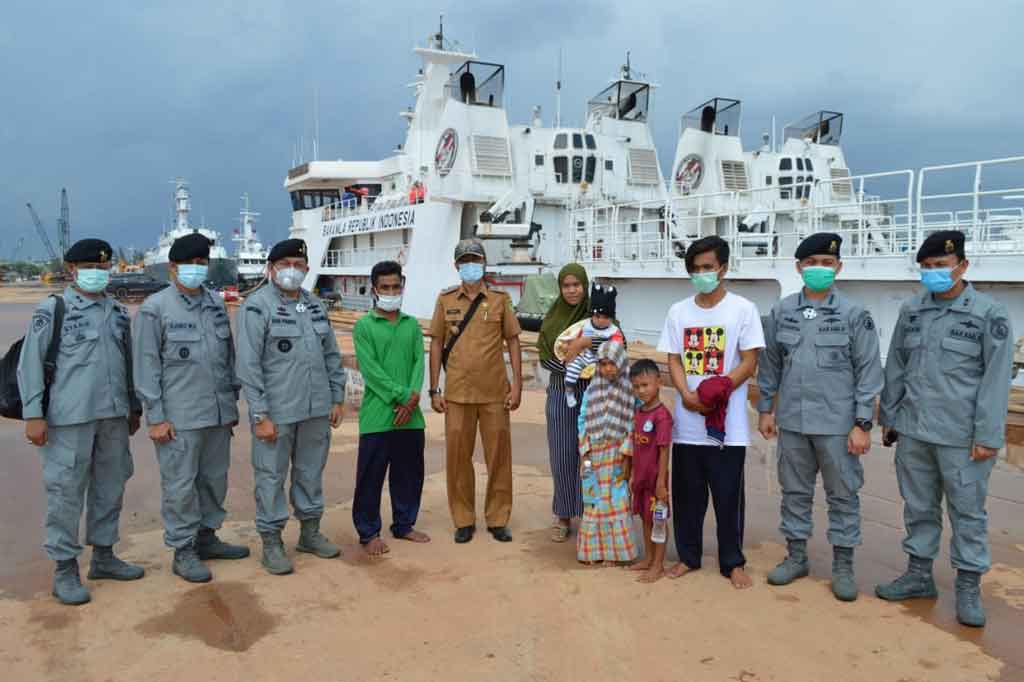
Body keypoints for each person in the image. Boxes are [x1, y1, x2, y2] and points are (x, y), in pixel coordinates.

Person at [875, 230, 1014, 627]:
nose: (934, 273)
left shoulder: (989, 314)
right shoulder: (913, 310)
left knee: (967, 513)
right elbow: (896, 366)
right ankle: (919, 576)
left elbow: (996, 380)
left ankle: (968, 586)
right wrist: (890, 418)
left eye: (942, 266)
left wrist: (988, 436)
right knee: (918, 508)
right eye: (927, 267)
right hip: (915, 431)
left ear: (962, 266)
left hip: (962, 438)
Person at [756, 233, 883, 601]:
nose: (819, 269)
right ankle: (796, 556)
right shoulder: (782, 311)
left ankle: (843, 565)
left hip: (837, 424)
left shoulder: (854, 315)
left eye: (827, 264)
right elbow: (771, 365)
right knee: (794, 493)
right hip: (793, 422)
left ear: (839, 268)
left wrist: (862, 424)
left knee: (843, 495)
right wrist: (766, 408)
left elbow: (868, 372)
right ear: (798, 268)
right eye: (811, 263)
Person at [18, 238, 145, 605]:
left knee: (111, 487)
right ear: (73, 270)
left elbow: (127, 364)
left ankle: (104, 557)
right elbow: (30, 364)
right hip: (68, 418)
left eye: (104, 269)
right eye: (91, 268)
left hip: (113, 416)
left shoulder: (119, 313)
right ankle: (64, 568)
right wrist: (33, 415)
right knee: (65, 493)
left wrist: (133, 407)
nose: (98, 274)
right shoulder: (53, 309)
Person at [133, 233, 250, 584]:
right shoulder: (156, 309)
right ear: (172, 267)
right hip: (178, 418)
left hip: (216, 414)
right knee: (181, 485)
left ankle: (207, 537)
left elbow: (227, 358)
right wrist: (155, 417)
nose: (197, 270)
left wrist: (231, 402)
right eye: (190, 264)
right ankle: (183, 549)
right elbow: (146, 368)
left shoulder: (215, 303)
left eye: (202, 264)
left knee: (214, 480)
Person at [657, 236, 764, 589]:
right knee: (688, 496)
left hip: (726, 428)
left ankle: (732, 561)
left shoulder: (743, 310)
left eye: (708, 267)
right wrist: (687, 394)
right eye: (696, 269)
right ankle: (688, 556)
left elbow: (749, 361)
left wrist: (719, 389)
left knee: (728, 496)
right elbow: (673, 357)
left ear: (723, 268)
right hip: (688, 425)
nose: (702, 274)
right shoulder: (678, 312)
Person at [236, 238, 347, 575]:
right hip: (277, 411)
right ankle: (272, 542)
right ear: (271, 269)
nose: (292, 271)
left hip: (315, 409)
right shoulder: (256, 307)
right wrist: (260, 414)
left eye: (299, 265)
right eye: (285, 264)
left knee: (310, 472)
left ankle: (310, 533)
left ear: (307, 269)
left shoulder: (315, 306)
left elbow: (331, 355)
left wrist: (337, 397)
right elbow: (249, 365)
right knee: (271, 477)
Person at [428, 238, 522, 544]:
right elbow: (437, 344)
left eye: (476, 260)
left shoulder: (499, 299)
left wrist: (517, 383)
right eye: (465, 261)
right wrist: (434, 389)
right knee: (458, 459)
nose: (471, 266)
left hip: (494, 392)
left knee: (499, 458)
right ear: (457, 266)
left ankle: (497, 518)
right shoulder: (445, 301)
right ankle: (464, 519)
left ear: (483, 264)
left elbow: (513, 341)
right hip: (456, 393)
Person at [352, 260, 429, 556]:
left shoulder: (412, 326)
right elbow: (371, 371)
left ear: (403, 287)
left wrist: (412, 399)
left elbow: (417, 365)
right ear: (374, 289)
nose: (391, 291)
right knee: (370, 477)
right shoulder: (364, 326)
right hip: (378, 416)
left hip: (411, 418)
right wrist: (402, 397)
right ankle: (368, 532)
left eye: (396, 286)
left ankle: (404, 524)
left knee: (409, 474)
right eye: (385, 287)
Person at [537, 264, 592, 542]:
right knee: (563, 455)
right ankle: (563, 515)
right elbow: (545, 356)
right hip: (560, 393)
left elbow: (617, 346)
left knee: (596, 456)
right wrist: (575, 362)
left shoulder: (600, 316)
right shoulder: (552, 319)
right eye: (566, 285)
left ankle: (593, 516)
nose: (572, 290)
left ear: (585, 285)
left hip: (596, 395)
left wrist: (578, 354)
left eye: (576, 285)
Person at [576, 341, 638, 566]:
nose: (607, 369)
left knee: (616, 500)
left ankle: (616, 554)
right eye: (602, 364)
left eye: (611, 363)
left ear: (620, 362)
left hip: (617, 455)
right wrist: (585, 451)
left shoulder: (629, 389)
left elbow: (634, 421)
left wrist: (626, 452)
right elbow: (582, 419)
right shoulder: (593, 388)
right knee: (593, 499)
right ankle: (593, 552)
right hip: (595, 453)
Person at [626, 359, 673, 582]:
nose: (641, 390)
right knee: (645, 518)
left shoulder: (662, 416)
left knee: (659, 520)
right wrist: (634, 475)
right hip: (641, 479)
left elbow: (664, 450)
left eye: (645, 385)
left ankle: (658, 564)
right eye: (636, 386)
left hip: (656, 480)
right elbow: (636, 446)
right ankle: (648, 558)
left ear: (659, 382)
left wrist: (661, 482)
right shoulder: (639, 412)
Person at [559, 284, 626, 408]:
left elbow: (619, 345)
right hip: (585, 356)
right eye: (597, 316)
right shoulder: (585, 325)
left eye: (606, 317)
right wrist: (570, 347)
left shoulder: (613, 330)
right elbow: (575, 337)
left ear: (612, 317)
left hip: (603, 361)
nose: (601, 320)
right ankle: (569, 391)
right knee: (573, 367)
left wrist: (589, 342)